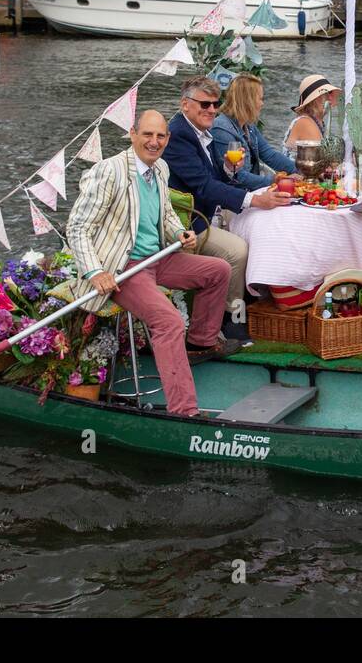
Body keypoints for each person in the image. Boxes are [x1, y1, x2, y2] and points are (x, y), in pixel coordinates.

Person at [66, 109, 235, 416]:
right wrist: (95, 271)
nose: (154, 142)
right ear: (133, 134)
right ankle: (184, 411)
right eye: (147, 135)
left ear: (167, 138)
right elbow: (78, 227)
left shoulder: (160, 169)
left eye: (160, 136)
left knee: (218, 270)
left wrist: (179, 232)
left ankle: (201, 341)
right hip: (122, 268)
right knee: (168, 321)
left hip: (157, 259)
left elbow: (166, 213)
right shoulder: (110, 171)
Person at [162, 76, 292, 317]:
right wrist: (255, 200)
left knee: (248, 240)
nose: (212, 109)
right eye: (205, 104)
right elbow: (204, 187)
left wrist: (229, 169)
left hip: (201, 216)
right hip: (185, 224)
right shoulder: (179, 135)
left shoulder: (203, 131)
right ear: (185, 105)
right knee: (238, 250)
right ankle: (232, 317)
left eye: (215, 103)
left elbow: (217, 179)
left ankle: (236, 311)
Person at [210, 73, 296, 191]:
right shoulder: (221, 129)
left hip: (249, 192)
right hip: (232, 199)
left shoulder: (248, 125)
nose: (262, 103)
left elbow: (269, 154)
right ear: (247, 100)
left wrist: (302, 170)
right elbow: (237, 176)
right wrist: (275, 180)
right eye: (260, 99)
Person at [283, 73, 340, 150]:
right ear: (315, 99)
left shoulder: (314, 122)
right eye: (327, 93)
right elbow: (322, 159)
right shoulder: (305, 122)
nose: (330, 97)